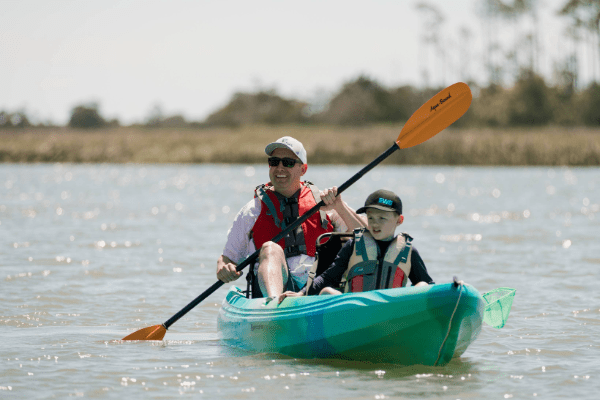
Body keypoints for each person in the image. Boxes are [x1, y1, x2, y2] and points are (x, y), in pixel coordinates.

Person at [216, 136, 366, 299]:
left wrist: (340, 206)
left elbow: (367, 238)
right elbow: (226, 259)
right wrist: (225, 269)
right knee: (270, 248)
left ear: (303, 169)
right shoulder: (253, 210)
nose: (280, 168)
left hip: (319, 289)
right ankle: (275, 307)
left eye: (288, 162)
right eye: (274, 162)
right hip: (273, 294)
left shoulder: (324, 204)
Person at [278, 189, 434, 303]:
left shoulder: (409, 251)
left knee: (422, 285)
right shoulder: (353, 245)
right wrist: (301, 294)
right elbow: (328, 277)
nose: (375, 223)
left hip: (392, 312)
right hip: (356, 310)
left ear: (399, 220)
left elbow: (430, 285)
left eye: (382, 218)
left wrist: (454, 291)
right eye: (371, 217)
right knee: (326, 292)